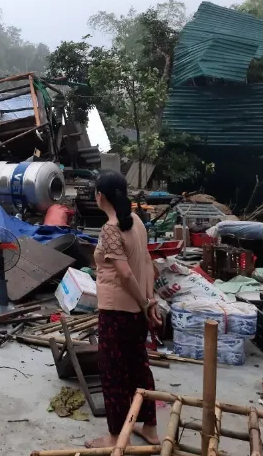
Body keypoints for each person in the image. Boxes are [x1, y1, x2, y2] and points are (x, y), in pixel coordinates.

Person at [85, 170, 161, 449]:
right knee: (139, 367)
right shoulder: (137, 222)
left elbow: (126, 274)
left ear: (99, 196)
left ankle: (116, 437)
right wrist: (148, 302)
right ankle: (150, 428)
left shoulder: (111, 228)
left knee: (113, 372)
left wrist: (143, 302)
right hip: (136, 312)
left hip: (116, 312)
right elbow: (149, 264)